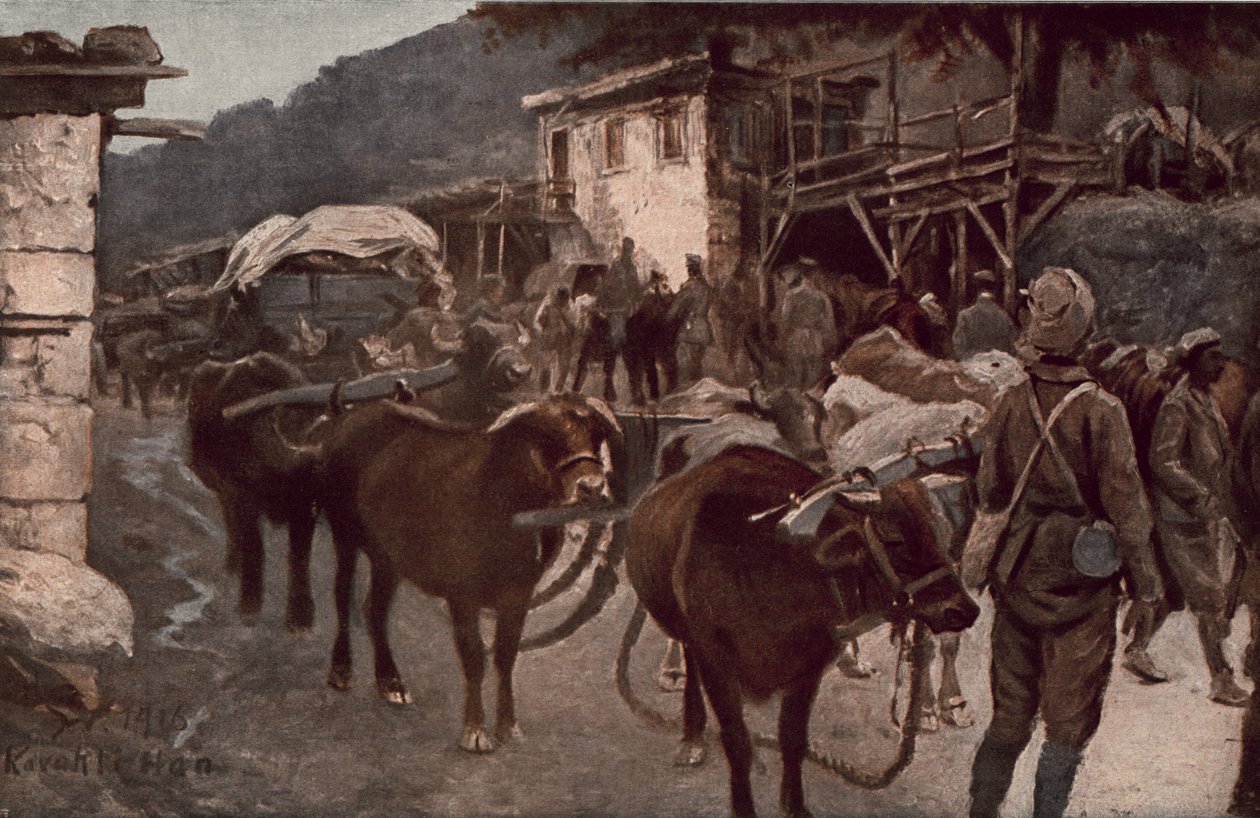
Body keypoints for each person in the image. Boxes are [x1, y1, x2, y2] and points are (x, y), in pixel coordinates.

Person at [967, 266, 1164, 818]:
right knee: (1067, 724)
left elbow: (990, 490)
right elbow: (1129, 511)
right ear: (1083, 331)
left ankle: (981, 811)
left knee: (1009, 717)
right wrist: (1146, 587)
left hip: (1018, 572)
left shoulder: (1008, 402)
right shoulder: (1103, 410)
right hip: (1082, 581)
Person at [1137, 327, 1250, 706]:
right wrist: (1198, 493)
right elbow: (1162, 461)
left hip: (1202, 513)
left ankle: (1136, 647)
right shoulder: (1179, 403)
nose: (1220, 362)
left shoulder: (1205, 399)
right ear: (1195, 361)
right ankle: (1221, 678)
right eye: (1212, 356)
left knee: (1171, 592)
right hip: (1182, 517)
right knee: (1209, 596)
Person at [778, 258, 837, 388]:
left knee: (796, 374)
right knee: (813, 376)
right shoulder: (822, 297)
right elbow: (829, 325)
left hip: (796, 338)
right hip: (815, 340)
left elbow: (785, 320)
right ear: (815, 275)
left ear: (801, 274)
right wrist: (828, 343)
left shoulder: (791, 295)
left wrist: (783, 339)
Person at [387, 279, 461, 368]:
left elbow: (393, 342)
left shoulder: (415, 317)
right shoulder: (454, 316)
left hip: (427, 367)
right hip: (450, 366)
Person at [669, 253, 714, 385]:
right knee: (697, 363)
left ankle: (689, 393)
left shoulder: (690, 286)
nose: (687, 271)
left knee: (686, 364)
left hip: (690, 329)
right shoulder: (706, 287)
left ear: (690, 269)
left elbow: (676, 307)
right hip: (704, 328)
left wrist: (668, 317)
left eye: (688, 268)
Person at [952, 287, 1018, 360]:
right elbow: (1012, 343)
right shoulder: (1004, 316)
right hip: (1000, 363)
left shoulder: (964, 315)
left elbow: (959, 343)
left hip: (973, 363)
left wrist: (965, 358)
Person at [533, 286, 575, 393]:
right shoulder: (547, 305)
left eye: (564, 301)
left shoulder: (569, 305)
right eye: (559, 300)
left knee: (564, 365)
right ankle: (544, 391)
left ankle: (558, 390)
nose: (562, 303)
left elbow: (574, 322)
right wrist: (542, 331)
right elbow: (537, 322)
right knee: (546, 365)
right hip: (549, 337)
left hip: (564, 338)